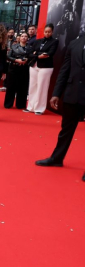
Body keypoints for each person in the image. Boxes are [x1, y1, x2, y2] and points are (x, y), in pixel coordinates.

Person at [35, 33, 85, 172]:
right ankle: (57, 158)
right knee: (65, 130)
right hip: (72, 93)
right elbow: (65, 70)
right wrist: (56, 93)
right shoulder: (75, 43)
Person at [24, 24, 59, 115]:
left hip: (46, 67)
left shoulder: (54, 41)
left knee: (42, 87)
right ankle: (30, 107)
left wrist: (37, 53)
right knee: (32, 86)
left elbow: (50, 53)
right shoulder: (37, 41)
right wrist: (39, 55)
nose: (47, 33)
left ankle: (39, 108)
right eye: (46, 32)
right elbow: (29, 53)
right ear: (43, 32)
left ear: (52, 32)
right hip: (34, 65)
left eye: (49, 32)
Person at [4, 32, 32, 109]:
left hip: (24, 69)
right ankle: (8, 104)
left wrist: (27, 60)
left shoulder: (30, 48)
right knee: (10, 86)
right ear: (19, 38)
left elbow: (32, 57)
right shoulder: (14, 46)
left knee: (23, 87)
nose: (24, 37)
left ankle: (21, 105)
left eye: (26, 36)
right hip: (13, 68)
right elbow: (8, 57)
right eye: (22, 36)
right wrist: (16, 60)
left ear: (28, 38)